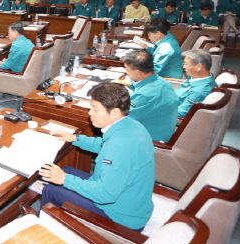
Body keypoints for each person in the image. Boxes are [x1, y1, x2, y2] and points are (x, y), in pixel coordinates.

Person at [39, 82, 154, 231]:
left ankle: (42, 230)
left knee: (51, 190)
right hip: (131, 202)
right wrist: (76, 139)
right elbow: (104, 145)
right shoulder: (131, 126)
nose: (89, 113)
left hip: (120, 217)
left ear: (114, 113)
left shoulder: (119, 146)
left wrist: (64, 179)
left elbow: (105, 195)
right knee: (66, 169)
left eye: (95, 109)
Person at [121, 50, 178, 142]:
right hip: (158, 131)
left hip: (147, 142)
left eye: (127, 69)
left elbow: (120, 120)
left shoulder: (145, 95)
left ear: (138, 72)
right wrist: (129, 84)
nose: (126, 72)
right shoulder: (161, 82)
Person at [176, 49, 217, 118]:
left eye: (186, 64)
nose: (183, 67)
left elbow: (181, 113)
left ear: (198, 67)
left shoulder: (199, 91)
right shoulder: (194, 77)